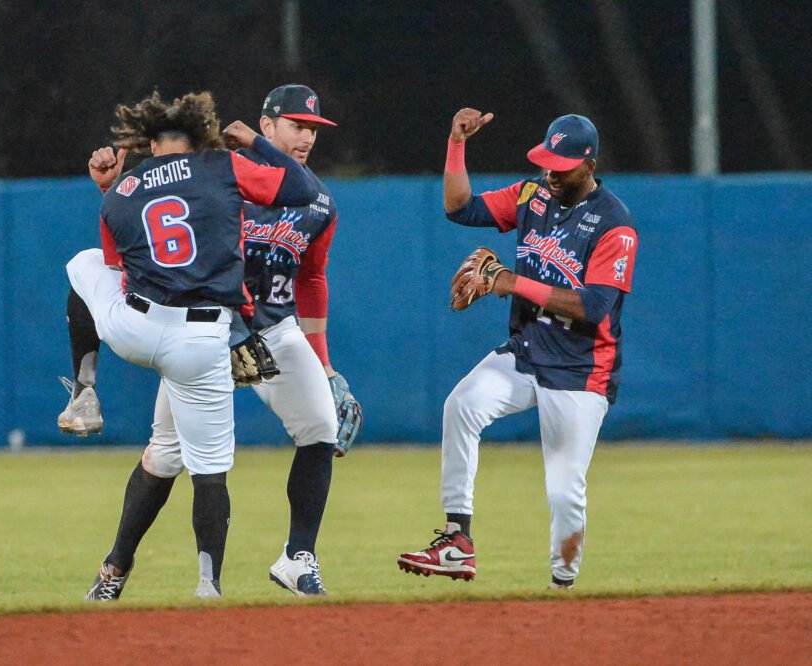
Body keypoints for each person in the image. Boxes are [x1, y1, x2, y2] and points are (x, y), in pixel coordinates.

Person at [67, 84, 361, 597]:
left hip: (275, 331)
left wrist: (326, 363)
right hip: (212, 331)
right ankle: (116, 565)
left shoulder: (319, 202)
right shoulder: (219, 174)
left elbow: (312, 280)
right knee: (165, 456)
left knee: (321, 426)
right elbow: (159, 238)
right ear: (266, 126)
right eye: (297, 126)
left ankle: (298, 557)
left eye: (313, 129)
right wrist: (113, 193)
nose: (307, 137)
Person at [397, 110, 638, 589]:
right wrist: (457, 143)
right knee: (462, 405)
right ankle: (457, 541)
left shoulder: (615, 224)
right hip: (526, 352)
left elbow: (593, 307)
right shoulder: (533, 194)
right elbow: (460, 208)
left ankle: (562, 586)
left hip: (580, 368)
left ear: (589, 164)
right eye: (548, 162)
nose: (552, 173)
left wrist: (511, 282)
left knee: (565, 491)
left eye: (563, 166)